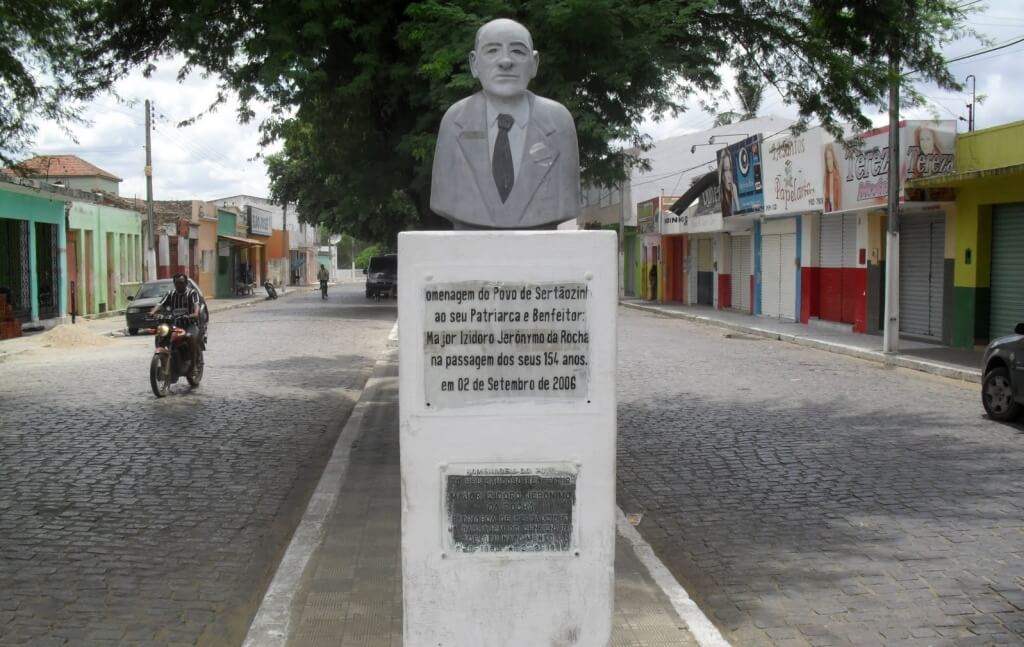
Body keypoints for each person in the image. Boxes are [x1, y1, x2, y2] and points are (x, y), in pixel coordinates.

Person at [430, 18, 580, 229]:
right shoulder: (454, 121)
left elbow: (565, 198)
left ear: (534, 63)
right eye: (492, 51)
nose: (506, 61)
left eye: (518, 51)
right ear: (474, 63)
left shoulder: (559, 122)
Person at [149, 273, 202, 373]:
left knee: (190, 336)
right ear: (174, 283)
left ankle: (194, 365)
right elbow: (160, 304)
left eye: (181, 283)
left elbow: (196, 306)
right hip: (174, 325)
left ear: (186, 283)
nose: (179, 285)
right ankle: (164, 360)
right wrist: (152, 312)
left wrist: (194, 314)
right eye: (176, 283)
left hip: (190, 324)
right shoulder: (170, 293)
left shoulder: (192, 293)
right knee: (160, 334)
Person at [718, 151, 739, 218]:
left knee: (734, 187)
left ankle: (738, 209)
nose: (727, 165)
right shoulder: (723, 174)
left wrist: (729, 154)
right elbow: (720, 169)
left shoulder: (730, 172)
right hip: (726, 188)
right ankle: (734, 211)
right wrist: (721, 158)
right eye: (725, 163)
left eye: (728, 163)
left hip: (731, 187)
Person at [823, 142, 842, 213]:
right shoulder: (826, 178)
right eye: (827, 159)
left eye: (830, 159)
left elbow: (839, 203)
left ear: (833, 159)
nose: (829, 162)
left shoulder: (837, 178)